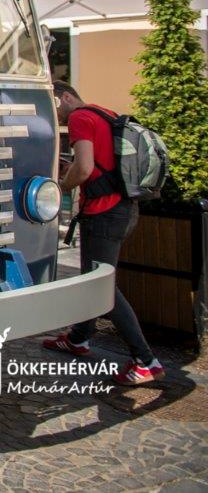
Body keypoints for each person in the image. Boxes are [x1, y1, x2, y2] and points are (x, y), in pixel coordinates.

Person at [43, 81, 163, 385]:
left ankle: (146, 361)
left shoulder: (80, 118)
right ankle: (78, 338)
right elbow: (100, 163)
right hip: (124, 208)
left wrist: (60, 188)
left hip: (103, 213)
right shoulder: (104, 113)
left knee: (102, 287)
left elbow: (84, 169)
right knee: (92, 280)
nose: (56, 114)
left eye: (55, 104)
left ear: (66, 97)